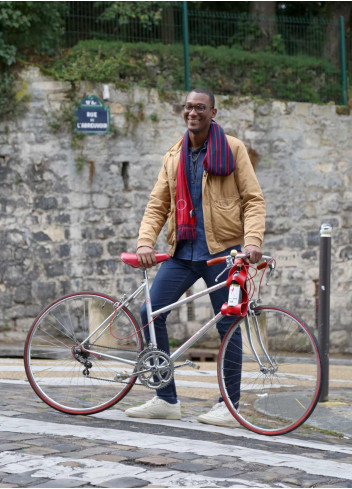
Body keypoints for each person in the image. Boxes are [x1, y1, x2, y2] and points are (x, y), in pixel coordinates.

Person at [125, 88, 265, 427]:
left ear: (212, 112)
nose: (193, 112)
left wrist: (252, 241)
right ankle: (166, 399)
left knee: (228, 325)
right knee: (149, 312)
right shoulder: (174, 155)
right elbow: (157, 204)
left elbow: (253, 200)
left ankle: (229, 406)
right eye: (188, 107)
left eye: (200, 107)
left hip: (224, 252)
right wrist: (146, 242)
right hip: (182, 250)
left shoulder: (232, 149)